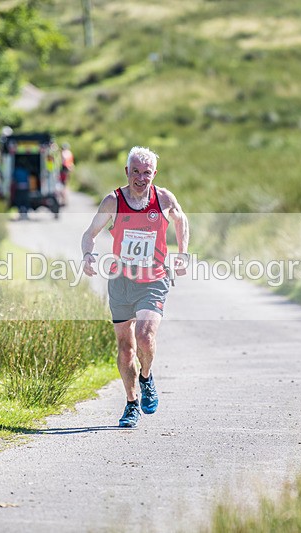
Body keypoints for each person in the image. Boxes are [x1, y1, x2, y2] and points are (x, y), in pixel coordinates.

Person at [81, 146, 190, 428]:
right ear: (127, 171)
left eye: (147, 173)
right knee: (126, 347)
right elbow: (90, 233)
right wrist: (88, 255)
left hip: (153, 280)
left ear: (155, 174)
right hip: (121, 282)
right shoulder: (113, 201)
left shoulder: (163, 199)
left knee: (144, 335)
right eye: (136, 172)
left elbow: (181, 219)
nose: (141, 178)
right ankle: (131, 404)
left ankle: (146, 377)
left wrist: (183, 253)